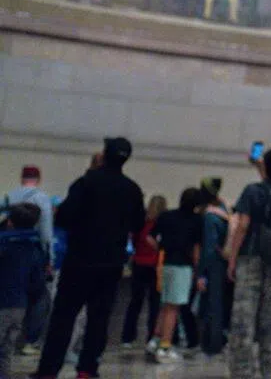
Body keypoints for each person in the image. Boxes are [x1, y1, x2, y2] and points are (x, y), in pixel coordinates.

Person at [35, 137, 145, 379]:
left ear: (104, 154)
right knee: (99, 320)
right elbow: (138, 223)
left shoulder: (86, 183)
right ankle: (87, 368)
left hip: (80, 260)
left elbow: (64, 217)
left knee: (64, 318)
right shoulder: (132, 189)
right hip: (111, 264)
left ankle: (48, 370)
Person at [225, 147, 271, 379]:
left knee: (243, 322)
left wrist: (232, 259)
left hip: (251, 258)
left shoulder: (251, 191)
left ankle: (242, 372)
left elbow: (243, 225)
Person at [147, 187, 203, 364]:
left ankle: (154, 340)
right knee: (173, 308)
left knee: (165, 304)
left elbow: (149, 237)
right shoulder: (196, 220)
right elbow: (196, 249)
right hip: (182, 266)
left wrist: (161, 249)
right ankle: (165, 346)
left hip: (165, 264)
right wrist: (198, 271)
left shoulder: (167, 216)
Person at [1, 203, 48, 379]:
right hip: (19, 306)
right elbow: (37, 284)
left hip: (2, 302)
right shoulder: (35, 248)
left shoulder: (4, 245)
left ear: (10, 222)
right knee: (6, 351)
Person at [121, 195, 166, 348]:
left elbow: (132, 241)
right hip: (155, 265)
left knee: (135, 302)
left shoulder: (141, 223)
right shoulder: (162, 225)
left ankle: (127, 337)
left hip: (139, 263)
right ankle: (151, 338)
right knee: (154, 304)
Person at [198, 178, 230, 357]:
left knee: (213, 305)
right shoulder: (225, 210)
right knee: (220, 304)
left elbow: (209, 248)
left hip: (214, 265)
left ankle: (212, 343)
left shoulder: (210, 217)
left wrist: (202, 273)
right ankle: (219, 340)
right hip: (225, 263)